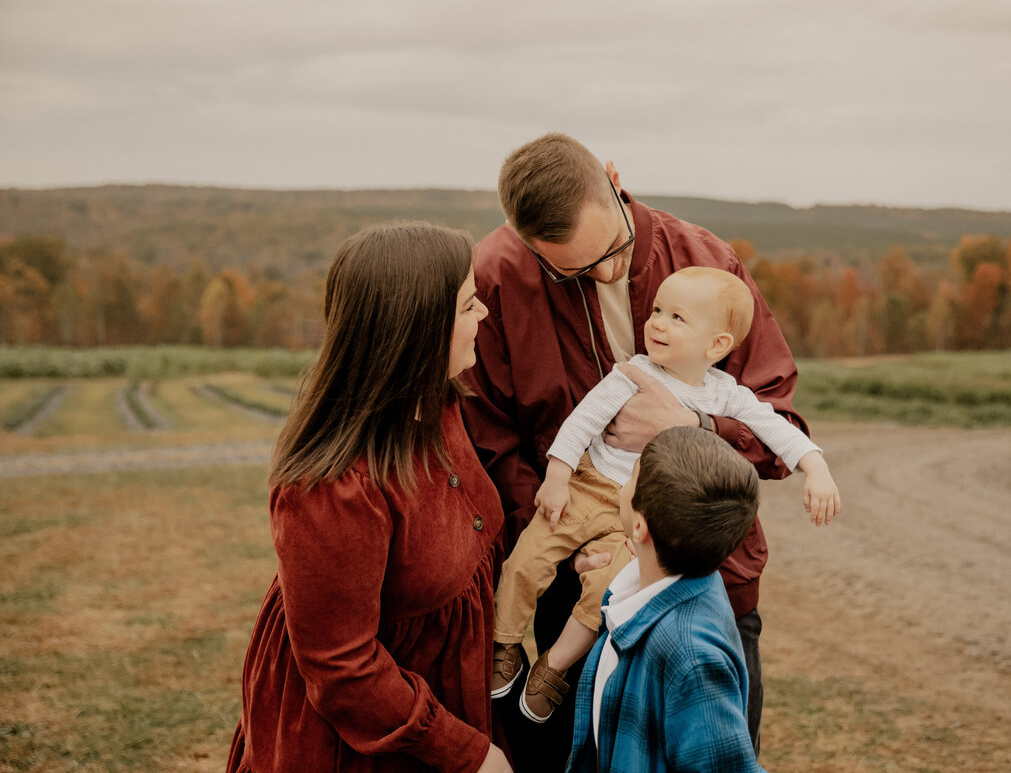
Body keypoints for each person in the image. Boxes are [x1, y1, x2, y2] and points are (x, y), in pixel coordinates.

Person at [461, 132, 812, 766]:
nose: (605, 273)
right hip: (575, 585)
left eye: (612, 249)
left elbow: (781, 425)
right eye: (570, 270)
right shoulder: (495, 276)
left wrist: (691, 429)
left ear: (617, 180)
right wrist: (569, 534)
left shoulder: (707, 262)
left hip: (706, 580)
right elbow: (492, 441)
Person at [491, 266, 840, 723]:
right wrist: (556, 479)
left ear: (716, 346)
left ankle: (553, 665)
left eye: (677, 318)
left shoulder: (726, 396)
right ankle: (504, 641)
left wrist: (816, 469)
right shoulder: (632, 373)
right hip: (587, 489)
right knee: (529, 558)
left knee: (603, 594)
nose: (657, 323)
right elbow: (582, 420)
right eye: (657, 310)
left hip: (636, 513)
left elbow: (776, 428)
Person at [226, 221, 513, 773]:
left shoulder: (441, 406)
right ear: (417, 327)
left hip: (447, 704)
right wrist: (467, 754)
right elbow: (343, 670)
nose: (482, 316)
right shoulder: (334, 487)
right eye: (468, 305)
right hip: (366, 744)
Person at [565, 425, 766, 772]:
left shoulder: (692, 658)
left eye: (631, 477)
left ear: (641, 527)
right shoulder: (650, 583)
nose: (623, 484)